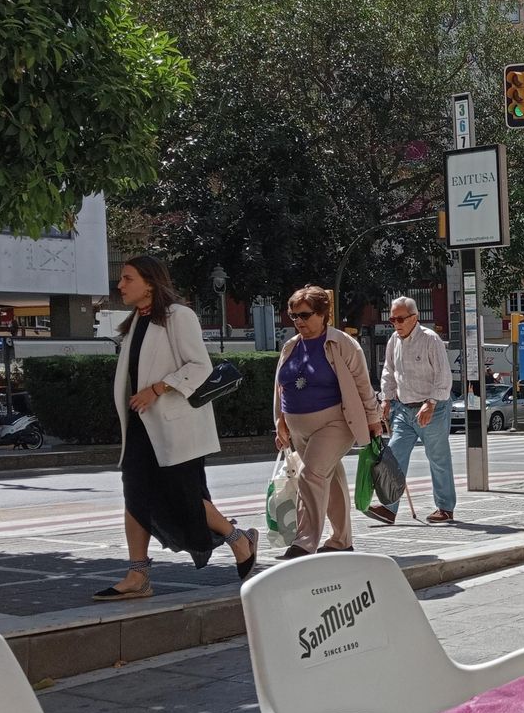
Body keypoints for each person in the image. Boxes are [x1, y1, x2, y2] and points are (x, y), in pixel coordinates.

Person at [96, 256, 257, 601]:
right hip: (140, 427)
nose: (120, 285)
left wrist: (157, 389)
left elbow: (200, 366)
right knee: (134, 495)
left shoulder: (178, 317)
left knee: (185, 498)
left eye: (127, 278)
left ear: (150, 283)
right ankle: (138, 574)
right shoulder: (134, 323)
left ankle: (237, 539)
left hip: (174, 425)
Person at [273, 286, 383, 559]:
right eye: (293, 316)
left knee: (311, 475)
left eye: (305, 315)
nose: (298, 321)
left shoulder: (342, 343)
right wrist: (279, 421)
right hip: (298, 427)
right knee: (329, 478)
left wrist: (373, 419)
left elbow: (362, 384)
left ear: (323, 314)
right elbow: (280, 386)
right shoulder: (291, 346)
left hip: (335, 422)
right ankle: (342, 539)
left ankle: (304, 541)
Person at [368, 296, 455, 524]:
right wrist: (385, 399)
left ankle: (445, 508)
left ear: (414, 318)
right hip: (404, 409)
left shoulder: (430, 339)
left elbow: (443, 375)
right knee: (394, 457)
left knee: (438, 458)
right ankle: (389, 508)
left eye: (400, 318)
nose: (396, 323)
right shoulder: (393, 341)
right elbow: (389, 371)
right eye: (392, 319)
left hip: (432, 408)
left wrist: (432, 402)